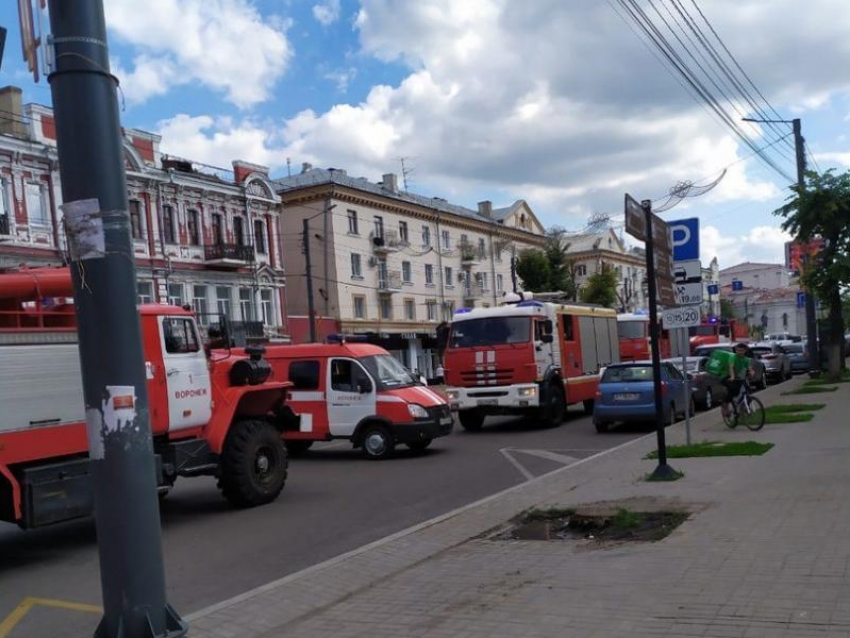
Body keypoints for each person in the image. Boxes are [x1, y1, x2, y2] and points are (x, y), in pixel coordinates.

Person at [721, 342, 754, 418]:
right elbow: (731, 367)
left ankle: (743, 407)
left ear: (745, 351)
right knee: (733, 390)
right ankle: (725, 406)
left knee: (747, 391)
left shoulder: (746, 359)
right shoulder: (733, 357)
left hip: (737, 378)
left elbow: (749, 367)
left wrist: (752, 372)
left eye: (741, 350)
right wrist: (732, 376)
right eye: (738, 350)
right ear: (735, 350)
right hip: (726, 376)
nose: (739, 352)